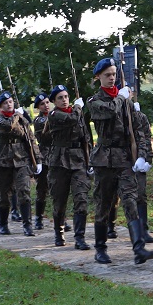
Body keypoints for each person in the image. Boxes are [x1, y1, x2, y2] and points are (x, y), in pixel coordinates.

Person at [86, 57, 153, 265]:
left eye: (114, 74)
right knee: (104, 204)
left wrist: (142, 154)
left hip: (125, 159)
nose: (112, 78)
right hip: (105, 160)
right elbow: (109, 111)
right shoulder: (94, 101)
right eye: (107, 75)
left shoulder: (125, 100)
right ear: (98, 77)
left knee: (130, 200)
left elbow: (139, 130)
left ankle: (139, 248)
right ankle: (100, 249)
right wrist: (121, 98)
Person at [44, 84, 93, 249]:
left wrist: (89, 160)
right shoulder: (54, 115)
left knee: (81, 199)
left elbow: (86, 138)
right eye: (60, 98)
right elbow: (71, 119)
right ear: (54, 101)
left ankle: (80, 238)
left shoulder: (76, 113)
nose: (64, 100)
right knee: (59, 201)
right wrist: (78, 107)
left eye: (66, 97)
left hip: (78, 160)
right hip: (59, 162)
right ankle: (59, 233)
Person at [0, 92, 43, 236]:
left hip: (21, 160)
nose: (9, 104)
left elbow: (31, 139)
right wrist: (18, 115)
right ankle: (3, 224)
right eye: (5, 103)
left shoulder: (21, 119)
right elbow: (8, 127)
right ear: (0, 106)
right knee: (4, 195)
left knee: (24, 192)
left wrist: (37, 159)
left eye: (11, 102)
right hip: (3, 161)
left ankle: (27, 225)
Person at [131, 90, 153, 245]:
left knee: (140, 194)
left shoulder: (140, 116)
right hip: (118, 159)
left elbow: (146, 138)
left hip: (139, 157)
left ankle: (143, 230)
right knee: (113, 196)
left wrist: (148, 159)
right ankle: (110, 225)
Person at [31, 93, 53, 230]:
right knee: (42, 189)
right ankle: (38, 218)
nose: (46, 105)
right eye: (42, 104)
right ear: (39, 107)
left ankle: (60, 217)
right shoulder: (39, 120)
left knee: (58, 189)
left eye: (47, 102)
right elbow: (47, 134)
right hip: (45, 156)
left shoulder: (55, 115)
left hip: (58, 156)